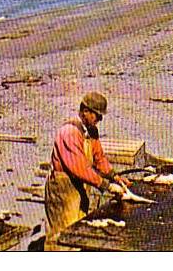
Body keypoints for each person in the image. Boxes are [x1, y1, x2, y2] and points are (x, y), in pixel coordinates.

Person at [44, 91, 130, 250]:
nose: (99, 120)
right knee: (61, 234)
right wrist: (106, 185)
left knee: (79, 231)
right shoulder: (69, 132)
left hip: (80, 186)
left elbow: (99, 158)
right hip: (63, 188)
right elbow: (78, 167)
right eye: (97, 115)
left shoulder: (91, 131)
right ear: (85, 111)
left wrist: (115, 176)